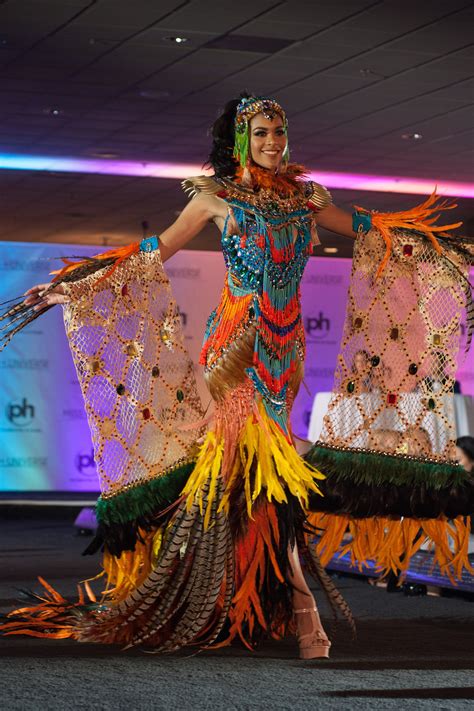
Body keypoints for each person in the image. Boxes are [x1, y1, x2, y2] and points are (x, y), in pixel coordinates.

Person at [1, 93, 471, 658]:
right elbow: (155, 251)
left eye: (280, 132)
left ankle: (227, 594)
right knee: (268, 474)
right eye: (262, 133)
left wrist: (447, 249)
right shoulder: (215, 200)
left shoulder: (305, 198)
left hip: (287, 350)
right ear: (240, 139)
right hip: (237, 350)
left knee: (248, 478)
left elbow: (373, 231)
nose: (273, 142)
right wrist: (76, 283)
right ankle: (303, 615)